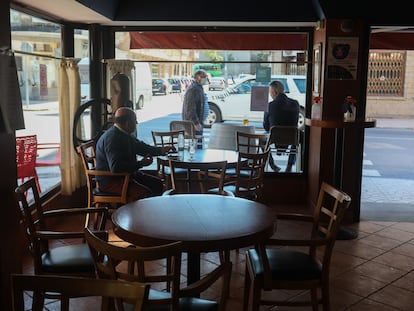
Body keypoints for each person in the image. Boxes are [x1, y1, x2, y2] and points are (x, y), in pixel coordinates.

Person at [95, 107, 173, 201]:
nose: (136, 123)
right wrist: (140, 164)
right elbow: (116, 167)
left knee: (158, 184)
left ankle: (152, 214)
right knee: (144, 194)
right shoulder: (113, 139)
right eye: (135, 121)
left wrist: (161, 150)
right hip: (111, 181)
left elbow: (142, 148)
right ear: (128, 123)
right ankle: (136, 215)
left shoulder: (124, 134)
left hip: (126, 176)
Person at [263, 80, 299, 173]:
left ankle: (271, 164)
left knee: (262, 139)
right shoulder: (295, 103)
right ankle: (289, 166)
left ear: (274, 92)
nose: (270, 95)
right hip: (292, 138)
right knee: (298, 136)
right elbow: (295, 123)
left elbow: (266, 127)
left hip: (274, 138)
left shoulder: (269, 105)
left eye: (270, 92)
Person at [182, 69, 209, 148]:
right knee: (197, 148)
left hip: (198, 123)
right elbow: (190, 109)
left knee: (197, 146)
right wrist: (196, 123)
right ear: (198, 78)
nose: (206, 79)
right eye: (204, 77)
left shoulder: (198, 88)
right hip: (194, 125)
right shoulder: (194, 89)